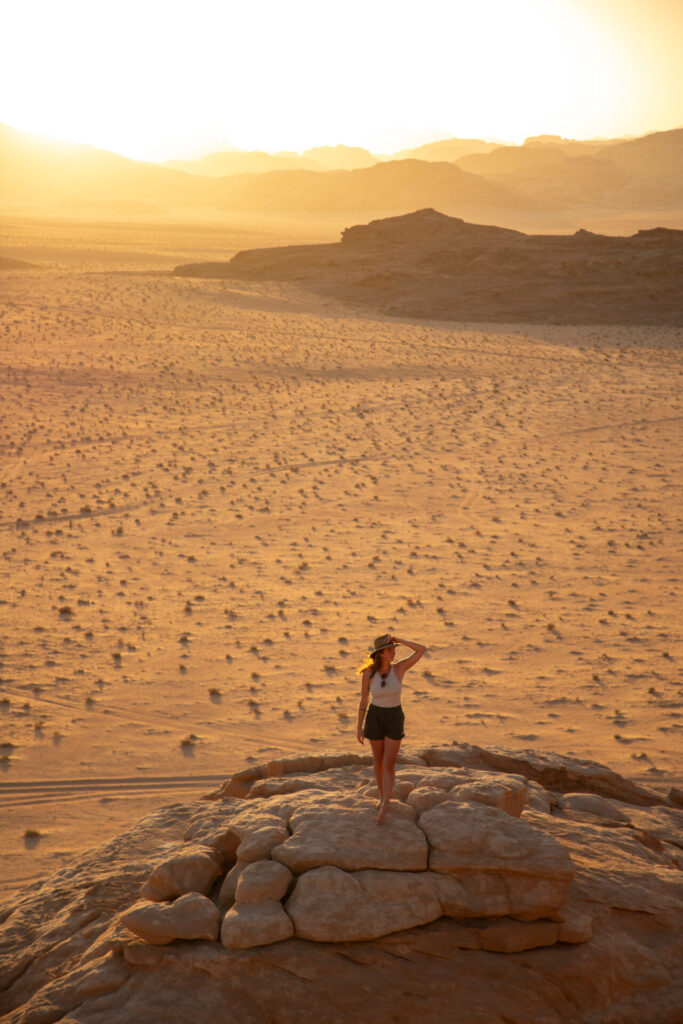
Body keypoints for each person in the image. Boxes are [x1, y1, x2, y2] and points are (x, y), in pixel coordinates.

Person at [356, 632, 426, 822]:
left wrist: (400, 640)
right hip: (375, 717)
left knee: (389, 764)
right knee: (378, 761)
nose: (393, 653)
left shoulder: (399, 669)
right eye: (390, 650)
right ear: (380, 654)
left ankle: (386, 803)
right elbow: (363, 701)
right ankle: (382, 797)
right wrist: (359, 727)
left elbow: (421, 650)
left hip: (394, 717)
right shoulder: (368, 674)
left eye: (394, 650)